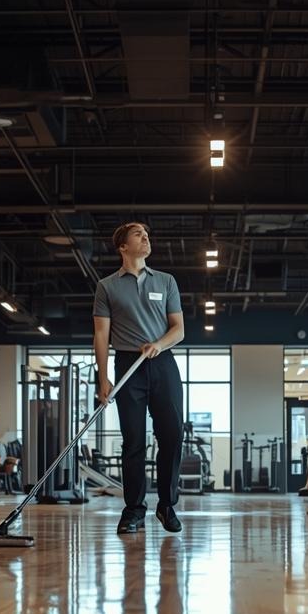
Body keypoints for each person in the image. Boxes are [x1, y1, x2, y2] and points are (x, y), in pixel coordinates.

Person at [94, 221, 185, 535]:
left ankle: (166, 505)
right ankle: (133, 509)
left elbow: (179, 329)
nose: (146, 237)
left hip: (162, 363)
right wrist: (102, 378)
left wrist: (159, 344)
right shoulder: (107, 286)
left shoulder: (166, 281)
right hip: (127, 364)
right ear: (123, 246)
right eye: (138, 235)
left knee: (172, 435)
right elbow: (101, 334)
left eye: (147, 234)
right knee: (133, 440)